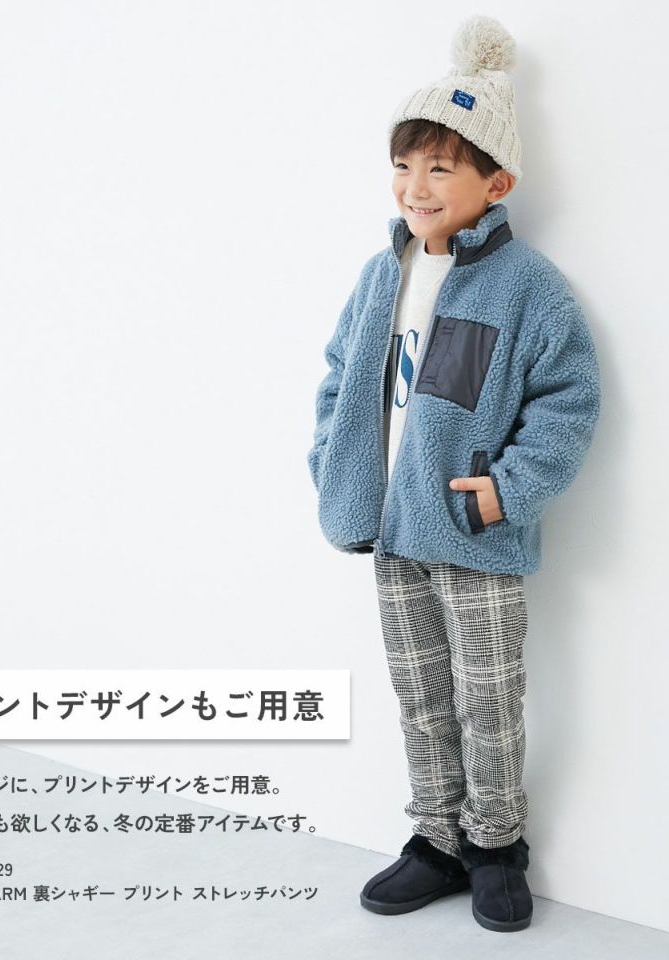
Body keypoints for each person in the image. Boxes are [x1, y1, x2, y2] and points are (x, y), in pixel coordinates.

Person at [306, 15, 602, 933]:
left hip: (475, 533)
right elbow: (339, 380)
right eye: (404, 165)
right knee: (421, 696)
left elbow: (568, 401)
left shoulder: (528, 287)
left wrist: (504, 489)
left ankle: (496, 846)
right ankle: (435, 838)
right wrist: (334, 466)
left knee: (489, 698)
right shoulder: (380, 276)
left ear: (495, 183)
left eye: (440, 168)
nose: (416, 186)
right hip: (392, 531)